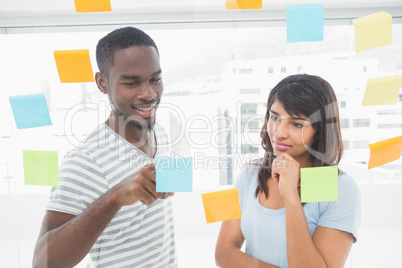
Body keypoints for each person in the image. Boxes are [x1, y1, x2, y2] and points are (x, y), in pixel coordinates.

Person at [33, 27, 177, 267]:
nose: (149, 93)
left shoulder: (158, 131)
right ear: (102, 83)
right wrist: (115, 197)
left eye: (156, 79)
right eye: (131, 83)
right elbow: (42, 262)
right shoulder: (85, 160)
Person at [215, 74, 361, 268]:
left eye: (297, 124)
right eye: (274, 118)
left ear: (320, 130)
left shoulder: (340, 188)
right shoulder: (249, 174)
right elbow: (223, 253)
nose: (279, 132)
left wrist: (291, 196)